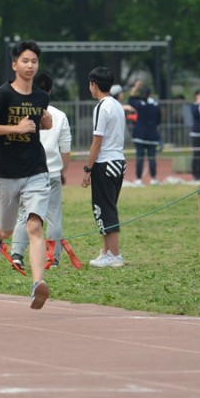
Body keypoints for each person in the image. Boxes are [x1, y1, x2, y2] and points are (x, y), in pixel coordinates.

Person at [0, 40, 53, 309]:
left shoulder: (42, 96)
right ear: (14, 65)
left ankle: (37, 284)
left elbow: (45, 120)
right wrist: (15, 129)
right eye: (25, 61)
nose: (30, 65)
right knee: (7, 229)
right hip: (6, 171)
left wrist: (47, 122)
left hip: (35, 169)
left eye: (34, 61)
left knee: (34, 226)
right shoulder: (0, 96)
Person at [9, 73, 71, 268]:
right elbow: (66, 147)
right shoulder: (60, 116)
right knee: (53, 216)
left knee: (24, 213)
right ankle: (52, 258)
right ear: (50, 92)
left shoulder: (23, 114)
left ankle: (17, 255)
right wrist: (63, 171)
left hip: (28, 171)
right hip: (52, 171)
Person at [82, 67, 127, 269]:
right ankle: (106, 251)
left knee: (104, 210)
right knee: (108, 208)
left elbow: (97, 141)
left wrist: (87, 169)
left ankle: (115, 255)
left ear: (94, 84)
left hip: (105, 163)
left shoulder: (102, 107)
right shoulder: (117, 105)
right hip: (119, 161)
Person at [126, 81, 161, 186]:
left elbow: (130, 100)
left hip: (140, 135)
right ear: (150, 94)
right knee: (152, 158)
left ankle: (138, 179)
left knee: (140, 158)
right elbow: (159, 120)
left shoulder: (140, 104)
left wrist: (135, 88)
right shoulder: (155, 105)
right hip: (152, 135)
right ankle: (154, 178)